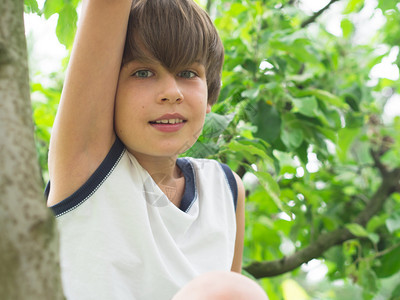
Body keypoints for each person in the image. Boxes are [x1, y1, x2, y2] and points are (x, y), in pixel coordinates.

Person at [46, 0, 269, 299]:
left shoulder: (226, 190)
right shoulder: (87, 165)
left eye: (188, 73)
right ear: (106, 88)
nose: (171, 93)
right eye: (143, 73)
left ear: (210, 95)